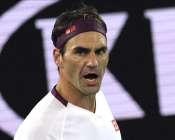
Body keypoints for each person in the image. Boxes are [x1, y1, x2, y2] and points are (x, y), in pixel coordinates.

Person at [14, 3, 122, 140]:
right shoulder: (39, 132)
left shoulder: (97, 96)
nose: (93, 62)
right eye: (81, 52)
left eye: (100, 51)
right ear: (58, 57)